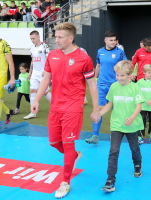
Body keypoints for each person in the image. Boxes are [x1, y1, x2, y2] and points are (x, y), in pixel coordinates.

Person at [31, 22, 100, 198]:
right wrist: (37, 99)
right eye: (55, 35)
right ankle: (75, 155)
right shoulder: (53, 55)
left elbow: (92, 84)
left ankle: (65, 182)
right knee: (54, 143)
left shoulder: (84, 58)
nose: (56, 39)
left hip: (73, 107)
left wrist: (96, 109)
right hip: (55, 106)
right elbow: (46, 79)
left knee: (68, 143)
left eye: (60, 37)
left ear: (71, 38)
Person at [99, 60, 144, 192]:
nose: (119, 78)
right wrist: (99, 114)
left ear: (130, 74)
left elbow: (139, 106)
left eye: (122, 75)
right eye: (117, 75)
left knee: (134, 148)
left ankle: (137, 164)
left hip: (132, 125)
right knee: (113, 152)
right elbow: (109, 104)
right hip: (117, 125)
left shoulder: (135, 87)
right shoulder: (113, 86)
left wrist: (131, 118)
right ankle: (110, 180)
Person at [85, 31, 127, 145]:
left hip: (115, 85)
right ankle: (95, 136)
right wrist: (94, 78)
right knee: (97, 109)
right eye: (110, 40)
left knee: (116, 110)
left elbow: (126, 66)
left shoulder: (120, 52)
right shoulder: (100, 51)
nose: (113, 42)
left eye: (114, 40)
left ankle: (116, 135)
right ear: (105, 40)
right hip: (101, 85)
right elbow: (98, 65)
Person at [23, 30, 51, 119]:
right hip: (35, 73)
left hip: (43, 73)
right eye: (31, 39)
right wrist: (30, 72)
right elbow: (33, 61)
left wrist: (47, 70)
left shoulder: (44, 46)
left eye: (33, 38)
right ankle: (32, 112)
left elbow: (49, 59)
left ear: (38, 37)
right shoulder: (32, 48)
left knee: (45, 92)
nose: (32, 40)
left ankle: (57, 108)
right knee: (32, 91)